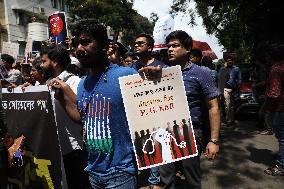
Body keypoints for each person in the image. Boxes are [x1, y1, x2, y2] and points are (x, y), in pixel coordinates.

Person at [48, 18, 161, 189]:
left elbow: (152, 121)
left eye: (85, 42)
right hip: (93, 172)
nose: (79, 48)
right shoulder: (83, 83)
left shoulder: (126, 76)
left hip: (120, 173)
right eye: (77, 43)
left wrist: (158, 80)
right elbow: (84, 118)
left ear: (104, 46)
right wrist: (62, 100)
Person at [158, 30, 220, 189]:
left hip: (191, 132)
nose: (170, 49)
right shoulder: (162, 73)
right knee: (166, 179)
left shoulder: (201, 73)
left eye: (175, 46)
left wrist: (213, 140)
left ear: (187, 49)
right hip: (165, 132)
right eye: (169, 46)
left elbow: (213, 107)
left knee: (192, 180)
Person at [40, 45, 89, 189]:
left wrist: (65, 92)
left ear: (54, 62)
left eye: (44, 61)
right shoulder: (48, 83)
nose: (41, 65)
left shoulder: (75, 82)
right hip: (57, 147)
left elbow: (83, 110)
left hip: (74, 148)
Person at [132, 33, 166, 189]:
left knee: (155, 144)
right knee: (142, 144)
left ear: (150, 47)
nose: (137, 45)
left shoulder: (162, 66)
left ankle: (154, 181)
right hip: (137, 114)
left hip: (157, 113)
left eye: (141, 43)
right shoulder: (131, 68)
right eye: (136, 43)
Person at [263, 44, 284, 176]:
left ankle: (281, 165)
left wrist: (264, 105)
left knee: (282, 136)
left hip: (280, 107)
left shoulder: (276, 69)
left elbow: (274, 93)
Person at [218, 55, 241, 126]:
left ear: (233, 61)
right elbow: (220, 78)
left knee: (232, 105)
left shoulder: (236, 69)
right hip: (226, 89)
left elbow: (240, 79)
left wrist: (237, 86)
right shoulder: (222, 69)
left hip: (234, 89)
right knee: (227, 105)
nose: (230, 61)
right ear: (226, 61)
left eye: (231, 60)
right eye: (228, 60)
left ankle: (232, 119)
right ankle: (228, 120)